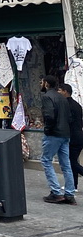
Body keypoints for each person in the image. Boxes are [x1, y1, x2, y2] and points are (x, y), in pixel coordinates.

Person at [40, 74, 76, 204]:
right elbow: (69, 118)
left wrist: (48, 130)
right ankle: (69, 193)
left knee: (46, 160)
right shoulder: (62, 98)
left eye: (42, 82)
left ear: (46, 84)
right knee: (66, 164)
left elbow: (49, 115)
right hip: (65, 134)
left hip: (54, 134)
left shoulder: (47, 97)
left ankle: (56, 191)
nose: (41, 84)